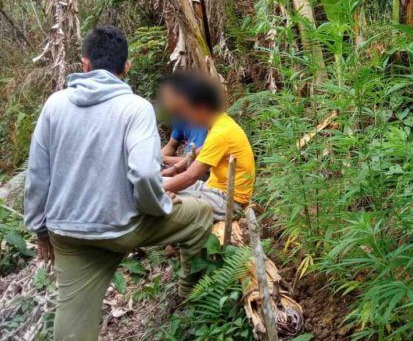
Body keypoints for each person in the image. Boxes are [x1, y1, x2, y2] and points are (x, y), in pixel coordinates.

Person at [24, 26, 214, 341]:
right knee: (200, 214)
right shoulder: (135, 108)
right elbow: (142, 174)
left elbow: (37, 175)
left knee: (72, 322)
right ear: (126, 68)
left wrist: (39, 229)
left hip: (68, 232)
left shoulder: (54, 105)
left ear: (84, 64)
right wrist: (160, 205)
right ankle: (189, 297)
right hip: (123, 227)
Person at [159, 71, 255, 219]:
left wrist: (154, 191)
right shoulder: (221, 123)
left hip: (227, 201)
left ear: (202, 108)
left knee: (166, 199)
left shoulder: (220, 133)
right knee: (161, 182)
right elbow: (202, 150)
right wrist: (175, 169)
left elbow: (190, 176)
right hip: (212, 189)